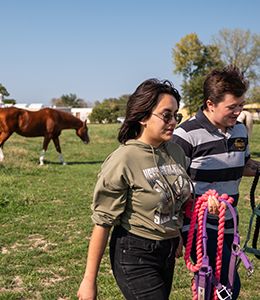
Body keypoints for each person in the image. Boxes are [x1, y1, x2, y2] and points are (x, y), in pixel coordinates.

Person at [172, 65, 260, 299]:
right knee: (226, 287)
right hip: (198, 225)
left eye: (241, 106)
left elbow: (243, 165)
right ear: (210, 104)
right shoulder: (185, 135)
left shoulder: (239, 131)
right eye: (231, 107)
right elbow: (173, 187)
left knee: (214, 285)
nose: (238, 112)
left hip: (229, 221)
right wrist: (175, 231)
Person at [78, 79, 192, 300]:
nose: (173, 122)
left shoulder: (176, 152)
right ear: (143, 117)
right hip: (134, 252)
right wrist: (88, 280)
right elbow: (102, 222)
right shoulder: (123, 159)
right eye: (166, 115)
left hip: (167, 251)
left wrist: (176, 232)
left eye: (176, 115)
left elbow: (174, 198)